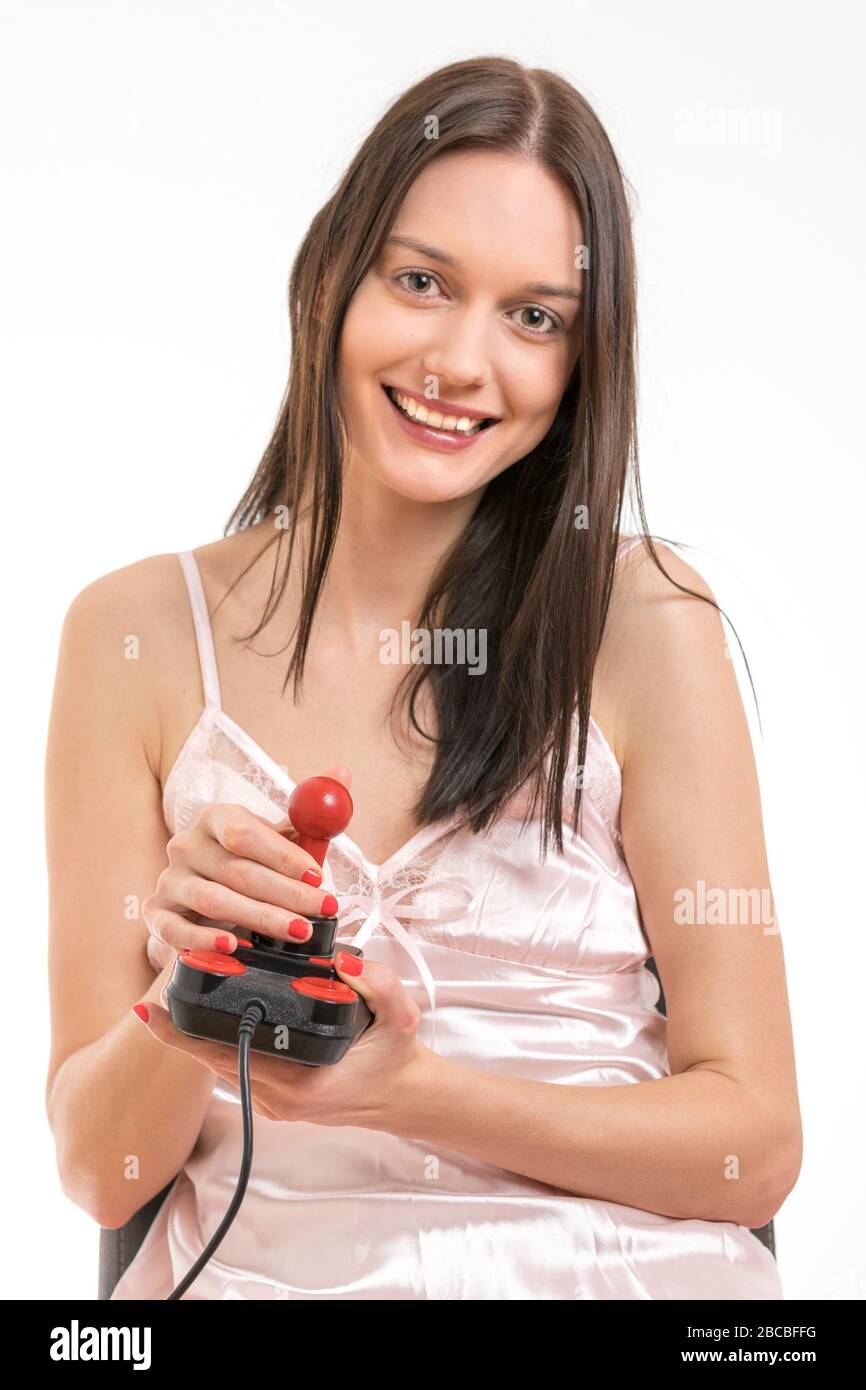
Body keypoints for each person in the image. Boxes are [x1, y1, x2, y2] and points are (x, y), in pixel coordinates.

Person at [45, 56, 801, 1300]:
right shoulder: (133, 633)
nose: (461, 361)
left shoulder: (644, 620)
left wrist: (418, 1095)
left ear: (578, 364)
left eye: (534, 316)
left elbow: (754, 1146)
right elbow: (104, 1169)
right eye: (420, 281)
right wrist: (189, 994)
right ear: (330, 276)